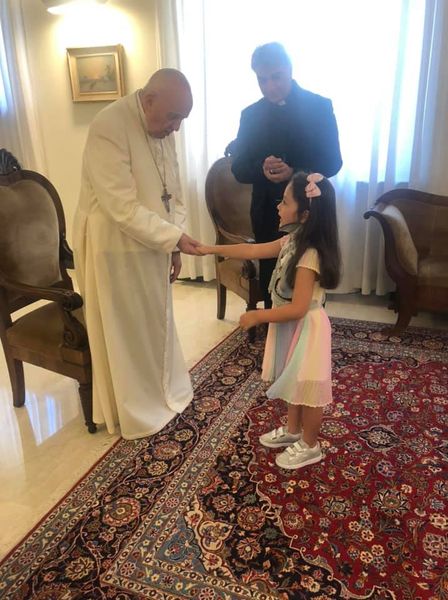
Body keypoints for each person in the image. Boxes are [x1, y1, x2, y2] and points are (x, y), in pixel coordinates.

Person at [73, 69, 201, 440]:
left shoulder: (162, 126)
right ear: (148, 101)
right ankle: (135, 407)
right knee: (127, 330)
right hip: (114, 247)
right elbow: (119, 206)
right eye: (173, 117)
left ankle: (162, 391)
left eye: (182, 119)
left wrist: (173, 242)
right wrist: (173, 237)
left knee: (155, 320)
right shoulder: (109, 125)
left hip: (153, 241)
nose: (176, 128)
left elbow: (173, 191)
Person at [199, 171, 341, 469]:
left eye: (284, 202)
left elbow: (299, 308)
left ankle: (311, 445)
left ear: (304, 215)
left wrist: (258, 315)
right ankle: (293, 430)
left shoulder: (310, 255)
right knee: (293, 380)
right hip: (292, 326)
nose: (278, 206)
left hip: (308, 329)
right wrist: (210, 249)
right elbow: (252, 249)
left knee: (309, 387)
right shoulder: (293, 240)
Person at [229, 42, 342, 308]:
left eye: (276, 77)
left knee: (309, 284)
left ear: (290, 69)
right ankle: (272, 331)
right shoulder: (250, 115)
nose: (270, 86)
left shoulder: (319, 107)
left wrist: (295, 172)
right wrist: (261, 168)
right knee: (271, 279)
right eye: (262, 80)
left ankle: (309, 333)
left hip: (310, 212)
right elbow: (238, 168)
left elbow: (333, 162)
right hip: (267, 213)